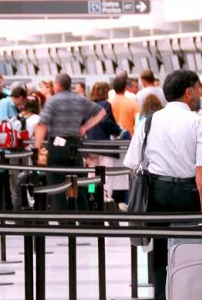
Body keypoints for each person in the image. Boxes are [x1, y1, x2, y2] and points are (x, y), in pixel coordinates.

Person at [124, 70, 202, 300]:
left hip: (154, 197)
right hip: (186, 195)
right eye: (199, 89)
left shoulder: (148, 122)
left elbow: (133, 166)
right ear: (189, 92)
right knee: (190, 262)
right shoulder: (198, 124)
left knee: (159, 268)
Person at [34, 73, 106, 211]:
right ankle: (85, 219)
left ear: (57, 85)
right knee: (79, 182)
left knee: (56, 182)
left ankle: (65, 220)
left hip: (57, 146)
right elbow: (101, 112)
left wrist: (36, 149)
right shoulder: (80, 99)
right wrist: (85, 127)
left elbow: (42, 125)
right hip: (75, 145)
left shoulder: (53, 101)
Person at [109, 72, 140, 137]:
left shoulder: (108, 102)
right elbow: (138, 122)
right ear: (125, 87)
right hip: (129, 137)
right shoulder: (132, 99)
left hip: (112, 137)